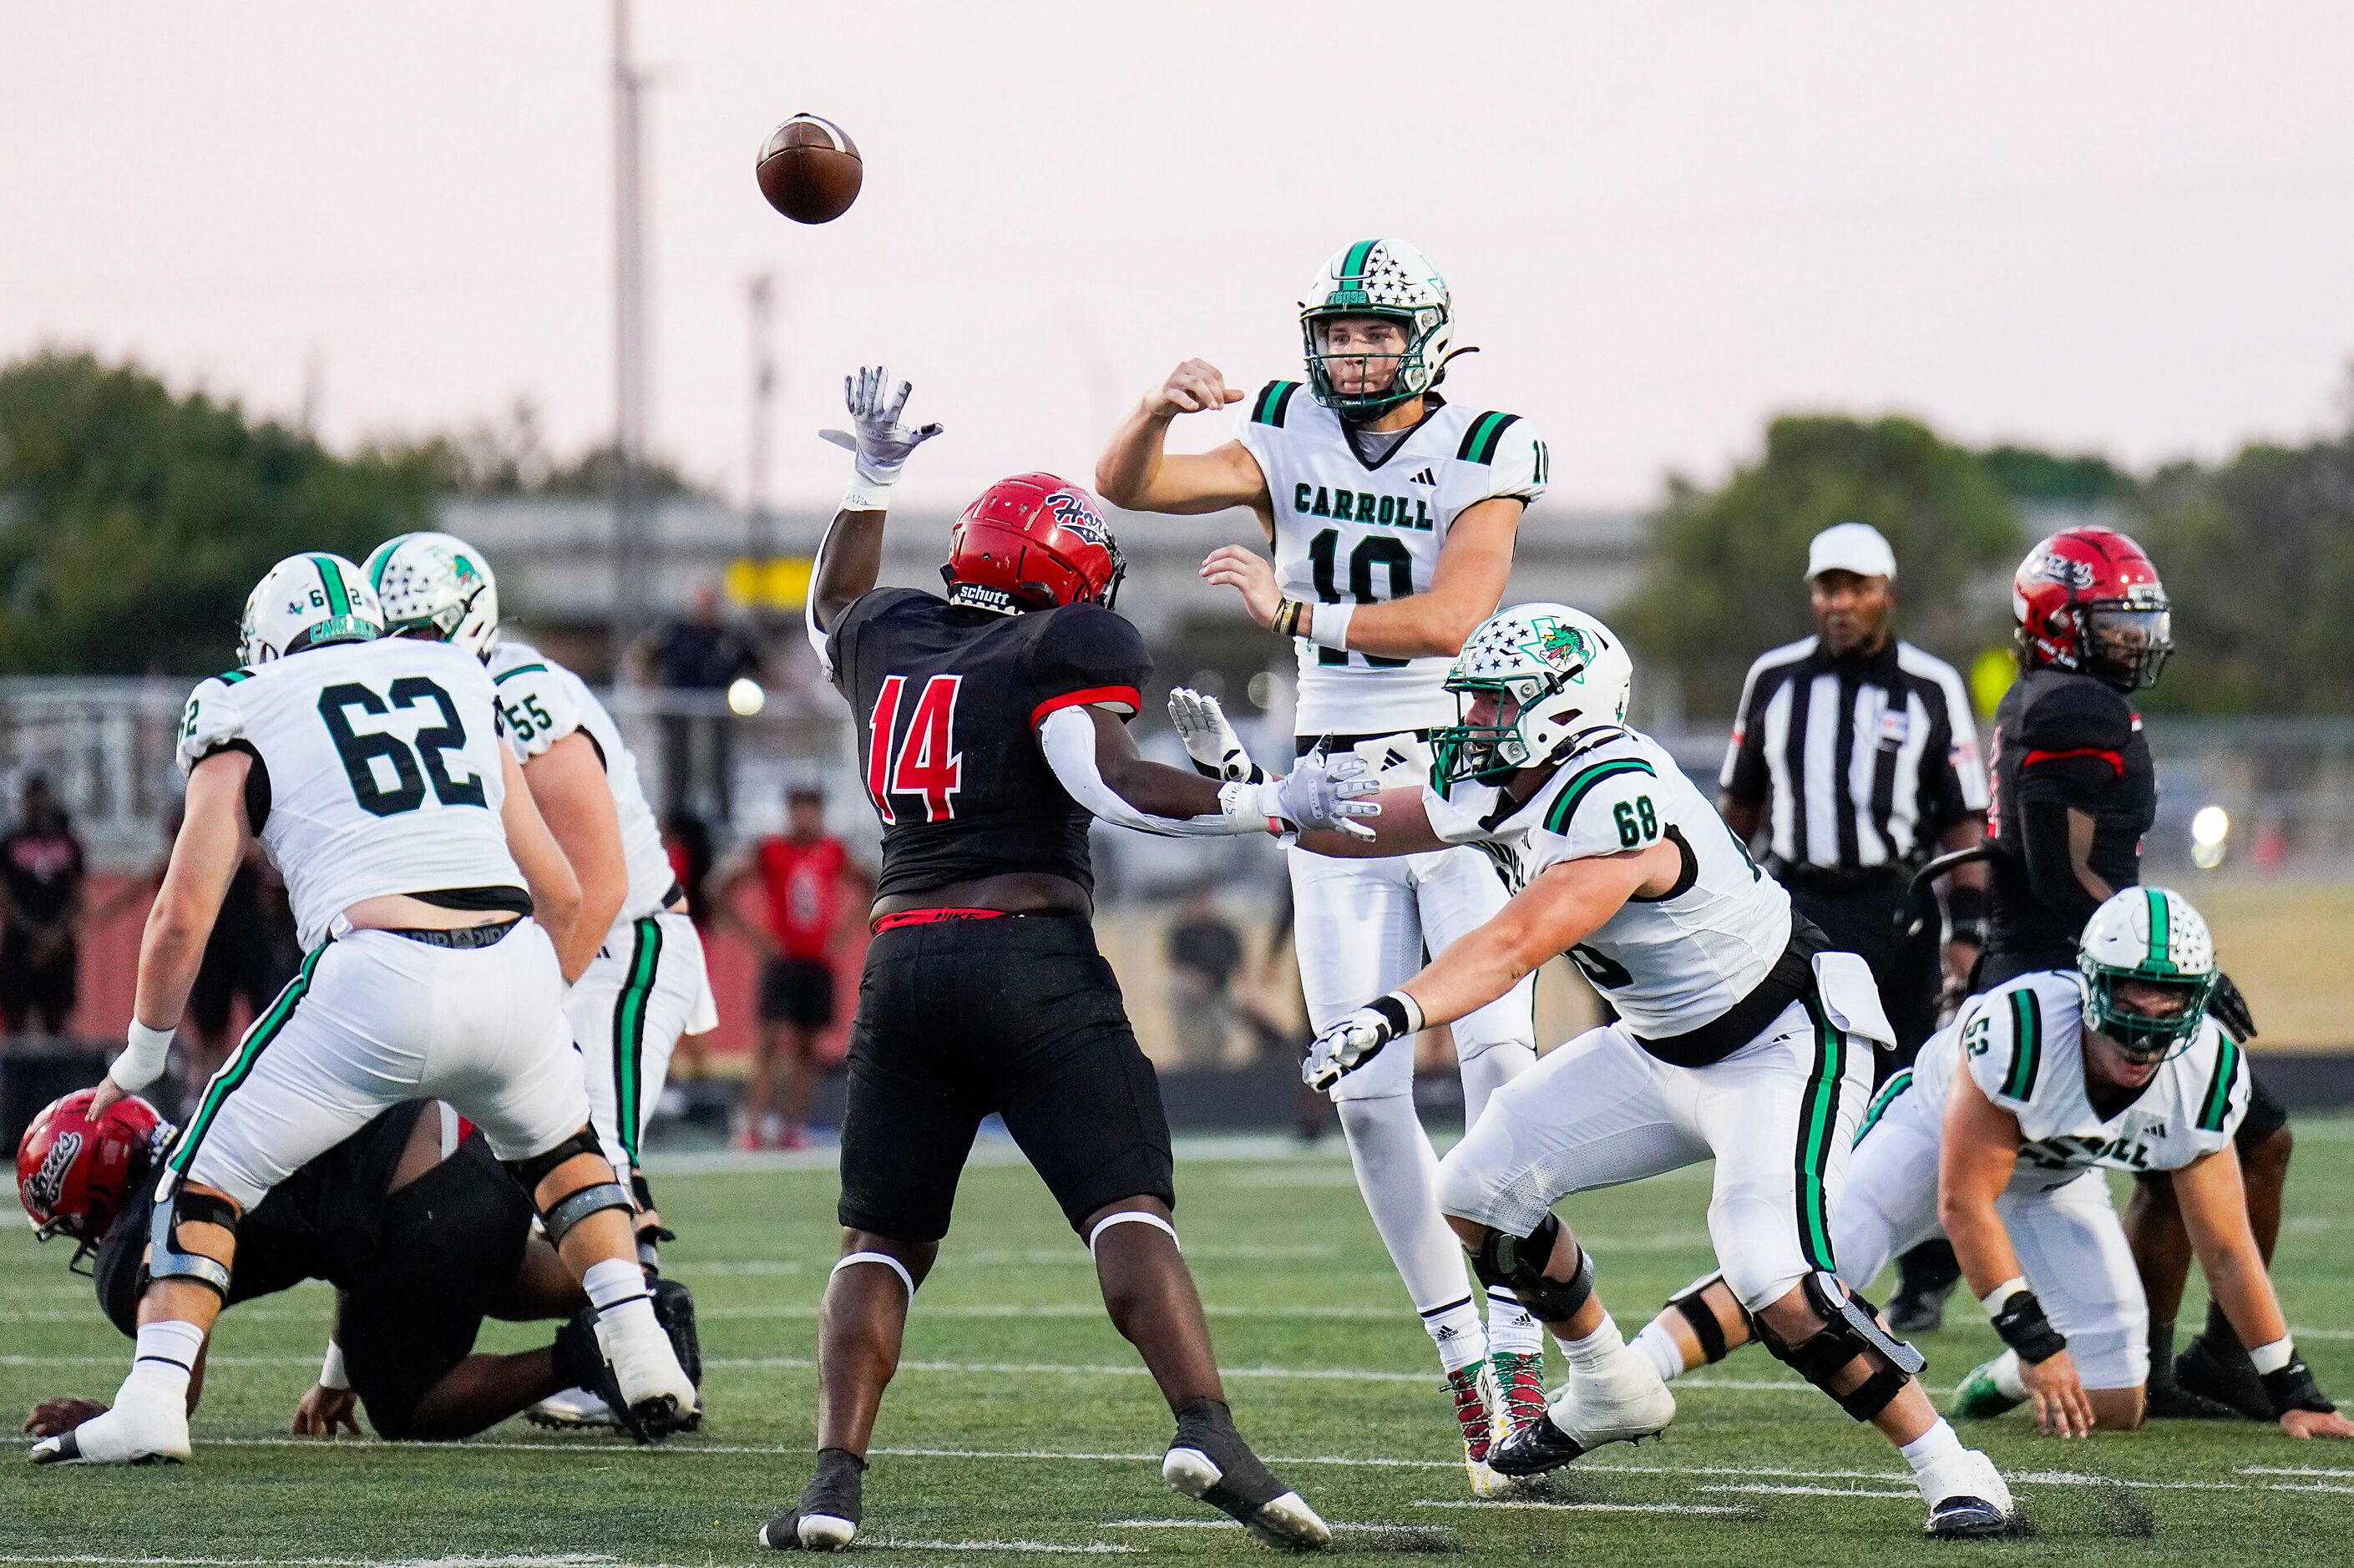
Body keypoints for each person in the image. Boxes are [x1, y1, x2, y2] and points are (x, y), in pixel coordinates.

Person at [762, 367, 1368, 1551]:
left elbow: (826, 606)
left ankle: (833, 1479)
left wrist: (870, 478)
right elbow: (1109, 783)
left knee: (879, 1237)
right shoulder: (1063, 641)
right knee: (1123, 1204)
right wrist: (1274, 805)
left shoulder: (891, 634)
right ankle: (1205, 1424)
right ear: (1066, 574)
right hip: (1025, 955)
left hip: (903, 964)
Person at [1283, 601, 2016, 1540]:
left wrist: (1396, 1009)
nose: (1467, 727)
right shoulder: (1501, 778)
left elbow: (1516, 941)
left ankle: (1951, 1466)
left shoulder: (1614, 789)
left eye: (1490, 706)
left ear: (1561, 708)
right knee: (1473, 1189)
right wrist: (1252, 799)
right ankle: (1609, 1384)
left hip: (1781, 1043)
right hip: (1657, 1044)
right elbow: (1364, 825)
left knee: (1770, 1276)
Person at [34, 553, 694, 1465]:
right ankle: (639, 1343)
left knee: (199, 1177)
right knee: (565, 1157)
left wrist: (143, 1052)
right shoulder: (459, 675)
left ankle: (153, 1400)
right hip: (508, 956)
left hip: (376, 962)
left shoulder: (242, 699)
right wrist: (521, 1024)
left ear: (268, 638)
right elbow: (564, 891)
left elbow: (182, 911)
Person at [1097, 239, 1552, 1490]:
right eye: (1336, 331)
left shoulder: (1484, 441)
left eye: (1373, 332)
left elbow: (1458, 613)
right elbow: (1128, 485)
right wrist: (1149, 407)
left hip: (1460, 770)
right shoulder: (1287, 424)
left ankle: (1522, 1332)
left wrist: (1296, 614)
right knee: (1360, 1084)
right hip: (1330, 779)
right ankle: (1470, 1368)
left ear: (1425, 339)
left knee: (1501, 1061)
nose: (1350, 351)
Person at [1631, 888, 2351, 1444]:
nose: (2148, 1017)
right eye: (2134, 990)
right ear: (2093, 983)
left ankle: (1998, 1380)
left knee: (2117, 1399)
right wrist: (2034, 1339)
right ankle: (1633, 1373)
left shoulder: (2205, 1068)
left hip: (2055, 1178)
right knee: (1809, 1272)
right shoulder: (2026, 1028)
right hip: (1933, 1136)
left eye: (2168, 995)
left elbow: (2226, 1246)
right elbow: (1964, 1204)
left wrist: (2292, 1389)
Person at [366, 531, 721, 1429]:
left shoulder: (518, 693)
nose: (404, 658)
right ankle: (604, 1339)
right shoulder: (429, 706)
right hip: (541, 951)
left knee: (591, 1145)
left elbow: (595, 885)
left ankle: (637, 1359)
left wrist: (522, 1002)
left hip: (620, 943)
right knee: (452, 1160)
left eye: (421, 635)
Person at [1980, 526, 2291, 1420]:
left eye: (2137, 619)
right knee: (2255, 1137)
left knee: (2175, 1163)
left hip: (2053, 961)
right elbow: (2055, 870)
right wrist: (2155, 964)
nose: (2134, 637)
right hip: (2069, 972)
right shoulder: (2077, 708)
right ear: (2055, 622)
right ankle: (2213, 1360)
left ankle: (2155, 1364)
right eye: (2113, 621)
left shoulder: (2053, 696)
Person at [16, 1090, 700, 1444]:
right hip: (464, 1150)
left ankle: (586, 1356)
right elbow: (350, 1235)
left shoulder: (147, 1228)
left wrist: (120, 1412)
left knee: (406, 1406)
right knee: (474, 1271)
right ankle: (638, 1305)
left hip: (418, 1207)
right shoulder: (210, 1119)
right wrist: (337, 1372)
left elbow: (177, 1391)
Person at [1720, 521, 1988, 1333]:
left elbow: (1961, 825)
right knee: (1802, 1078)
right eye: (1826, 588)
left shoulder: (1930, 686)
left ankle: (1925, 1272)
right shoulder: (1772, 679)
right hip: (1798, 903)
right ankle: (1800, 1256)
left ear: (1885, 595)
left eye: (1854, 588)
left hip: (1894, 905)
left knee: (1910, 1082)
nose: (1838, 604)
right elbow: (1738, 808)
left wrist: (1966, 933)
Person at [715, 786, 872, 1149]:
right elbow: (720, 886)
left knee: (807, 1047)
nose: (804, 818)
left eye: (810, 810)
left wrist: (844, 931)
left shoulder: (834, 852)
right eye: (798, 810)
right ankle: (753, 1126)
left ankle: (791, 1128)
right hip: (783, 961)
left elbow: (870, 883)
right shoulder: (771, 851)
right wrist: (755, 937)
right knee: (771, 1041)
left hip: (817, 961)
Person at [638, 582, 763, 823]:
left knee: (720, 769)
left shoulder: (731, 636)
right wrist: (649, 690)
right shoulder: (675, 633)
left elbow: (761, 666)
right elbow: (644, 657)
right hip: (679, 714)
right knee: (677, 769)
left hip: (721, 716)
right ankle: (676, 823)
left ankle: (723, 819)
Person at [0, 773, 88, 1037]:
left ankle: (59, 1078)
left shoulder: (69, 842)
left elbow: (77, 894)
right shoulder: (10, 842)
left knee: (58, 1023)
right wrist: (34, 935)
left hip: (60, 946)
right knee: (16, 1021)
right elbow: (6, 897)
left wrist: (56, 936)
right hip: (20, 945)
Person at [1162, 887, 1246, 1065]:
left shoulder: (1224, 932)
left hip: (1219, 992)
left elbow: (1238, 964)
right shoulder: (1182, 933)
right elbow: (1174, 965)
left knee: (1217, 1035)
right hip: (1190, 992)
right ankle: (1189, 1055)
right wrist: (1192, 981)